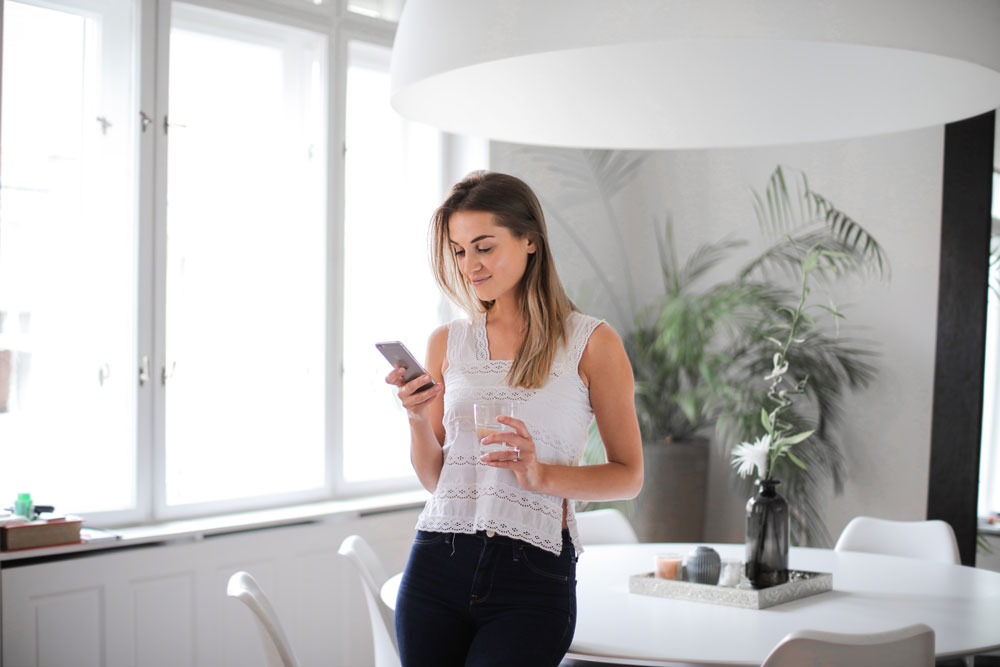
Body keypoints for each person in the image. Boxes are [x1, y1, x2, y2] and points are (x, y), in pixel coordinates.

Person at [385, 170, 643, 667]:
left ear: (529, 240)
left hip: (533, 575)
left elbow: (629, 476)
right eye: (459, 251)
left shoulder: (592, 343)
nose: (469, 265)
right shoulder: (448, 342)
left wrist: (539, 474)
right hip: (438, 559)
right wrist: (418, 419)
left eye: (484, 246)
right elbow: (437, 478)